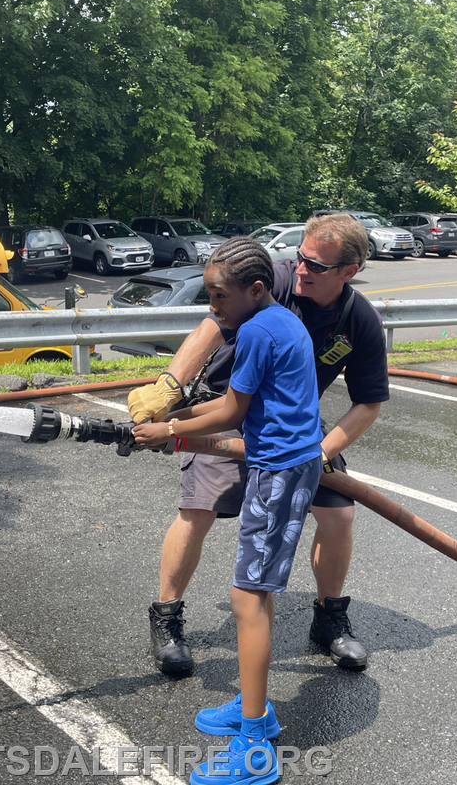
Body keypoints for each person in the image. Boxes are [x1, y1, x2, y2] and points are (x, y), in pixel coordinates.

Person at [128, 213, 389, 674]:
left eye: (317, 265)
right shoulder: (271, 280)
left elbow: (367, 404)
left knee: (339, 512)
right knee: (198, 508)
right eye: (302, 256)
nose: (302, 269)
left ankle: (329, 619)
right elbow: (211, 325)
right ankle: (167, 617)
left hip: (293, 427)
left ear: (348, 272)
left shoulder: (358, 320)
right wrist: (171, 385)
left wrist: (322, 451)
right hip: (223, 406)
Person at [133, 238, 323, 785]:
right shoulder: (278, 319)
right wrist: (175, 413)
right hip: (286, 464)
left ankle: (256, 737)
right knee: (252, 590)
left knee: (249, 596)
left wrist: (168, 427)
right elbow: (229, 405)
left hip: (281, 471)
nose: (211, 306)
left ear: (255, 289)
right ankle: (249, 706)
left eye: (218, 296)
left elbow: (232, 410)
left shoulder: (259, 331)